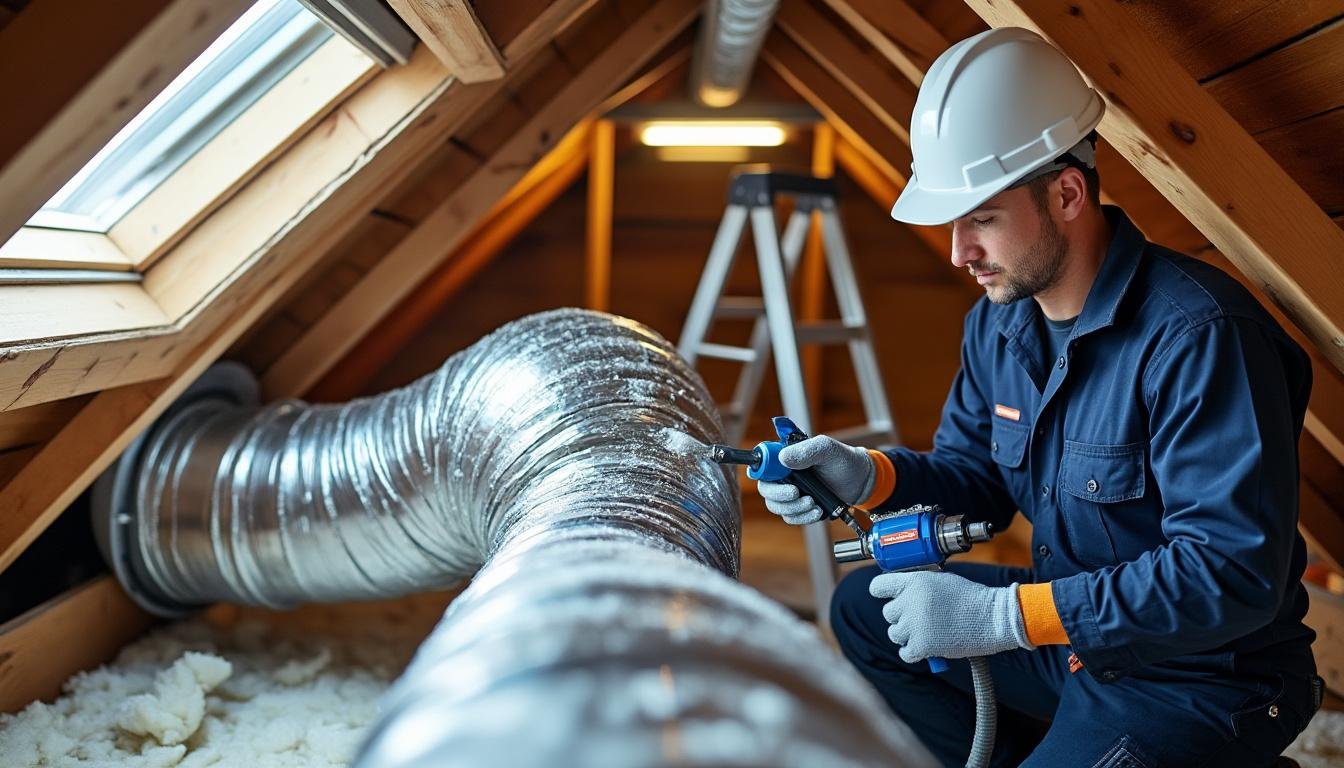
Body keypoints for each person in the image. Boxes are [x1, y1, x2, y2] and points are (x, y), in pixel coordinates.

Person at [757, 27, 1324, 767]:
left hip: (1204, 679)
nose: (960, 251)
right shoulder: (998, 325)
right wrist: (871, 475)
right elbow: (980, 482)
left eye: (981, 219)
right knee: (862, 611)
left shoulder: (1198, 334)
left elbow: (1230, 572)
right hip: (1074, 644)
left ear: (1066, 193)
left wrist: (1006, 616)